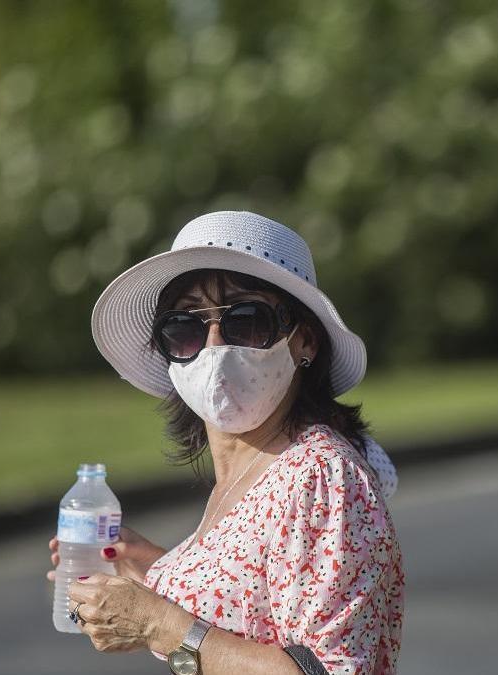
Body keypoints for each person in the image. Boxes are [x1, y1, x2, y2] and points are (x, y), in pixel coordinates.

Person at [45, 211, 404, 675]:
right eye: (185, 327)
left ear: (306, 342)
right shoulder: (245, 475)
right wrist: (159, 576)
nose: (213, 345)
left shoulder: (318, 474)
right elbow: (255, 616)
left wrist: (158, 621)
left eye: (246, 321)